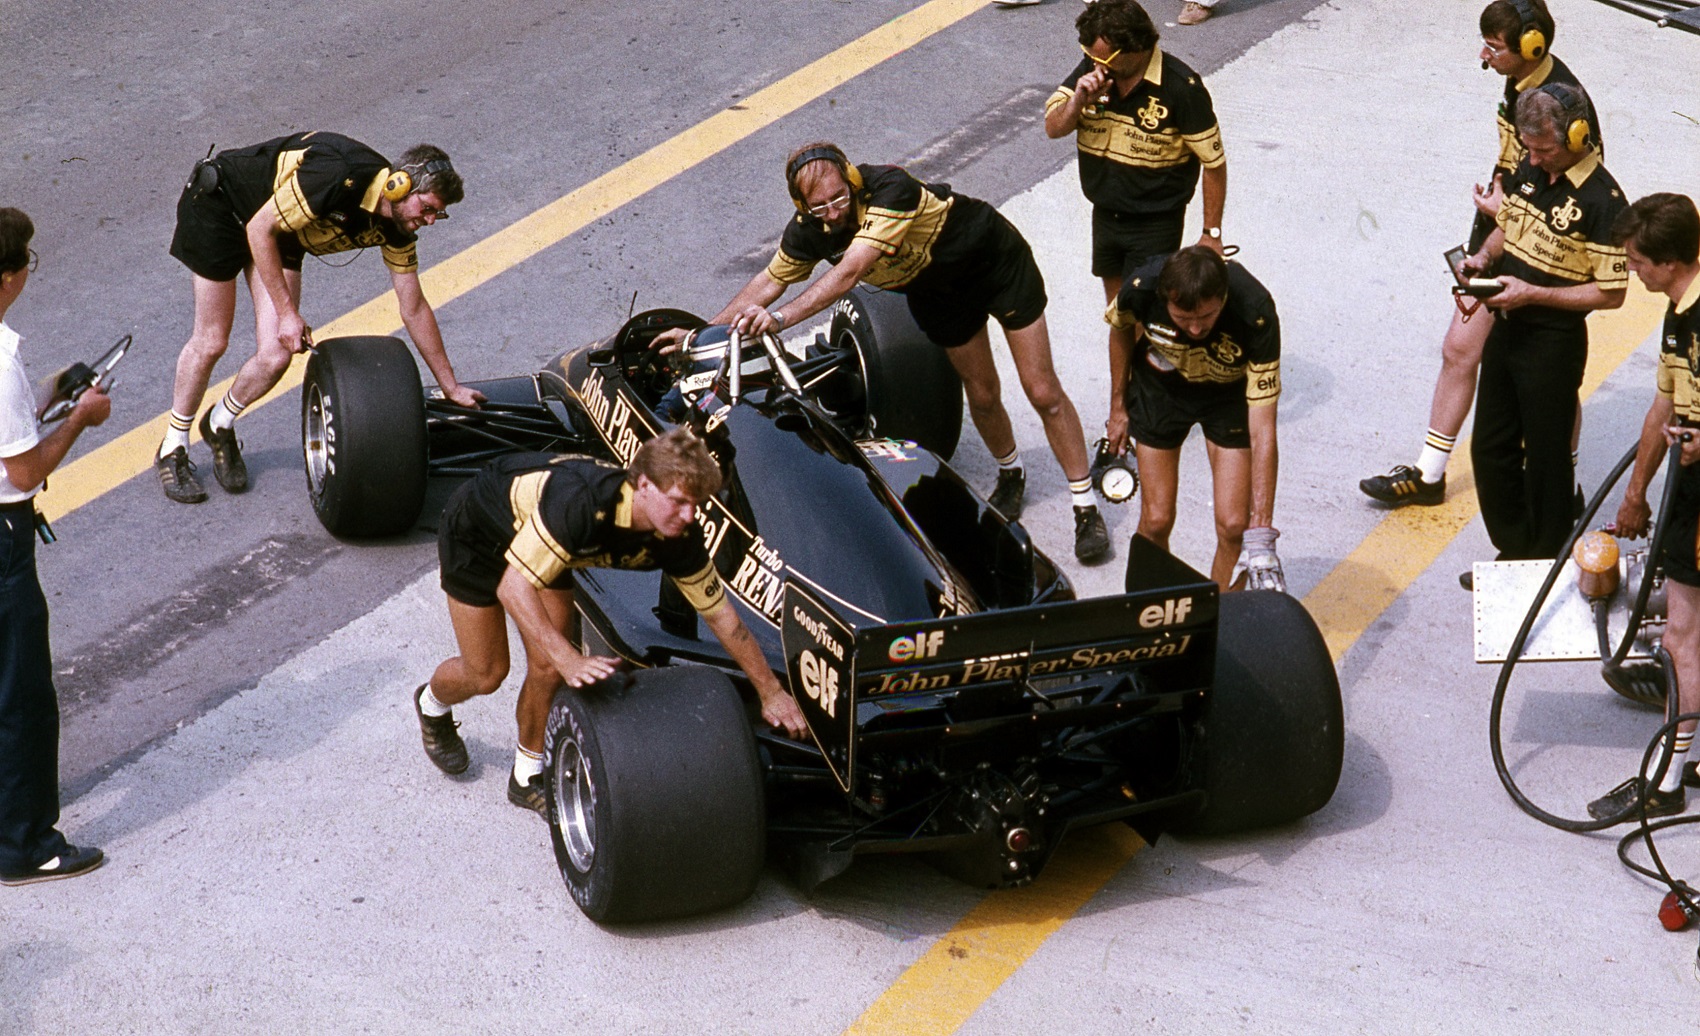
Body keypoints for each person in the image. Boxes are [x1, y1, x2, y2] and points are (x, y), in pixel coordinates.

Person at [683, 142, 1111, 563]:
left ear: (851, 180)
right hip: (936, 291)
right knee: (981, 393)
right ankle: (1011, 472)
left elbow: (850, 271)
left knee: (1041, 390)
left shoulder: (890, 188)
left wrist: (779, 320)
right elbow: (769, 281)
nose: (833, 213)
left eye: (839, 198)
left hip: (993, 263)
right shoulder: (811, 228)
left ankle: (1085, 506)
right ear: (802, 206)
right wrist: (700, 335)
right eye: (820, 207)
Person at [413, 427, 808, 815]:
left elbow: (722, 617)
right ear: (644, 485)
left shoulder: (679, 536)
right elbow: (513, 590)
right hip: (482, 532)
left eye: (697, 503)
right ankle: (432, 705)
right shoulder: (584, 504)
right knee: (487, 673)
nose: (689, 516)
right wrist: (569, 657)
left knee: (548, 666)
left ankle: (526, 774)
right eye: (678, 501)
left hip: (545, 543)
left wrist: (770, 691)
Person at [156, 133, 484, 504]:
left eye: (437, 213)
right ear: (399, 185)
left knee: (278, 353)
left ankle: (218, 423)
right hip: (225, 207)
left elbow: (414, 307)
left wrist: (451, 386)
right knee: (213, 340)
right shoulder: (339, 175)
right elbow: (257, 229)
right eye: (426, 208)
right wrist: (287, 314)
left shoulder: (398, 226)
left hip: (282, 228)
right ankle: (172, 447)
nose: (430, 221)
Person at [1361, 0, 1600, 508]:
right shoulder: (1521, 82)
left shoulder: (1566, 108)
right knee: (1459, 348)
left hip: (1542, 244)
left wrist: (1513, 216)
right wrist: (1498, 204)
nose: (1485, 55)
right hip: (1502, 222)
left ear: (1530, 48)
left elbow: (1579, 189)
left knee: (1551, 377)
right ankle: (1429, 474)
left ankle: (1565, 488)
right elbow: (1518, 162)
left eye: (1494, 48)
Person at [1044, 0, 1227, 477]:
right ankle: (1127, 408)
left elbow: (1214, 163)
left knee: (1147, 318)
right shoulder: (1093, 70)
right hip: (1107, 215)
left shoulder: (1180, 88)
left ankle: (1133, 416)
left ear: (1135, 49)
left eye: (1101, 57)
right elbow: (1052, 128)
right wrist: (1079, 98)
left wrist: (1210, 233)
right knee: (1121, 318)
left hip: (1155, 220)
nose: (1092, 63)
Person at [1458, 83, 1625, 580]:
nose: (1534, 159)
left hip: (1552, 339)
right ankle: (1514, 548)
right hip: (1507, 325)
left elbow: (1611, 293)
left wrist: (1535, 295)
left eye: (1545, 149)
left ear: (1577, 134)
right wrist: (1483, 259)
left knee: (1547, 457)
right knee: (1490, 446)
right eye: (1529, 148)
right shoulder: (1532, 167)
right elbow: (1507, 224)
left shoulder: (1604, 201)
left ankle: (1544, 556)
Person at [0, 209, 112, 885]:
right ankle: (27, 844)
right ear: (8, 276)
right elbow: (23, 472)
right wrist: (79, 418)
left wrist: (48, 396)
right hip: (3, 541)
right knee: (23, 697)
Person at [1588, 194, 1700, 821]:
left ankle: (1667, 779)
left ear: (1667, 261)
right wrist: (1635, 494)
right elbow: (1664, 405)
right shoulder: (1678, 312)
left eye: (1635, 260)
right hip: (1688, 483)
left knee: (1684, 635)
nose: (1629, 268)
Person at [1105, 245, 1283, 592]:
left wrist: (1261, 532)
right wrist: (1118, 408)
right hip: (1161, 391)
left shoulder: (1255, 310)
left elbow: (1264, 432)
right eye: (1183, 318)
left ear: (1224, 296)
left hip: (1227, 397)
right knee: (1156, 521)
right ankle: (1152, 609)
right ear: (1163, 297)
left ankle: (1219, 617)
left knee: (1234, 526)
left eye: (1207, 316)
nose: (1197, 328)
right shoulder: (1141, 286)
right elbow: (1119, 329)